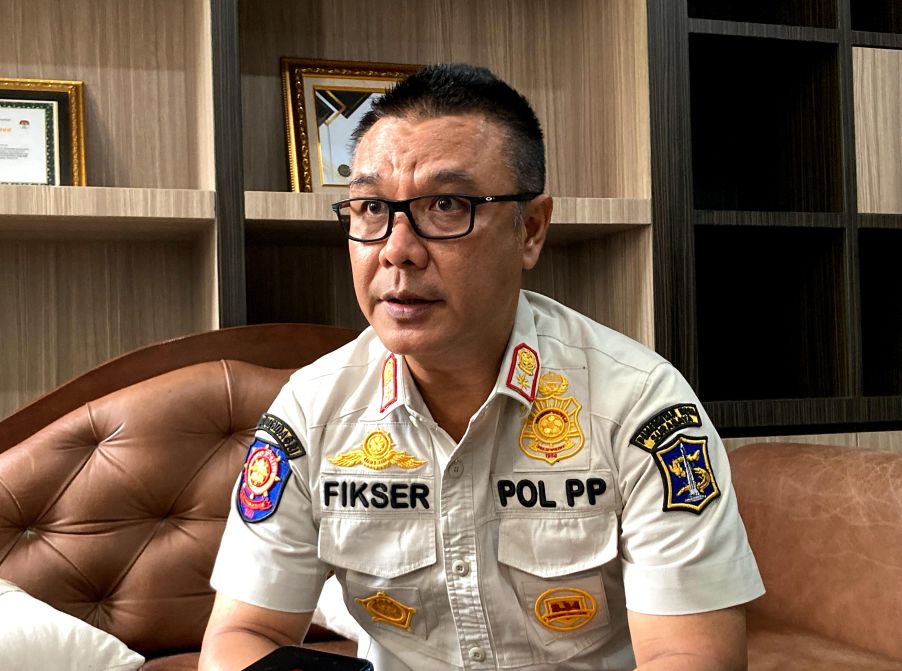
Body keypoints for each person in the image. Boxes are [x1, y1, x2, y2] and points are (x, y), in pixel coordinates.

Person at [199, 63, 764, 671]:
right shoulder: (311, 412)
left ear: (531, 230)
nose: (396, 250)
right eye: (371, 207)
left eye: (447, 205)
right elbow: (241, 637)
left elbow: (690, 654)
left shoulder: (640, 406)